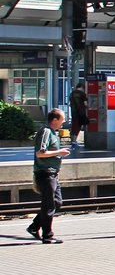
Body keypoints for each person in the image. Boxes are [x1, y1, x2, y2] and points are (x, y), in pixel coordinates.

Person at [29, 108, 70, 243]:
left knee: (57, 202)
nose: (63, 123)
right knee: (49, 204)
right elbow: (40, 153)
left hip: (53, 173)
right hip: (45, 173)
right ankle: (48, 236)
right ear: (54, 119)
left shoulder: (53, 133)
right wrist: (60, 152)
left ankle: (34, 226)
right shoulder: (46, 131)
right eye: (62, 120)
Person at [68, 81, 87, 150]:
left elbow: (69, 104)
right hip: (80, 112)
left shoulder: (72, 93)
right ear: (82, 87)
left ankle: (73, 141)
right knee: (78, 127)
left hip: (73, 112)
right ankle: (74, 142)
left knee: (74, 126)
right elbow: (85, 104)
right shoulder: (82, 94)